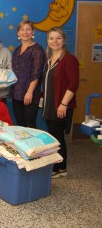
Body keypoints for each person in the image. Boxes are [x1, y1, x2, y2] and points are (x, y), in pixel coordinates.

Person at [42, 27, 79, 179]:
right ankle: (61, 167)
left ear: (64, 40)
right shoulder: (50, 60)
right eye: (51, 38)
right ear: (48, 41)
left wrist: (63, 104)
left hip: (60, 106)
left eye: (58, 38)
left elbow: (74, 83)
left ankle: (57, 168)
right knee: (55, 136)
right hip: (50, 105)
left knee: (56, 137)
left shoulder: (68, 59)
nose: (55, 41)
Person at [11, 21, 45, 128]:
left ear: (33, 32)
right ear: (18, 33)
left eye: (28, 29)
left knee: (30, 125)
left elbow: (36, 73)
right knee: (20, 124)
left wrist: (29, 92)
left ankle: (32, 145)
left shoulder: (37, 50)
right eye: (22, 29)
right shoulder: (17, 50)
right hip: (16, 93)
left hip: (30, 93)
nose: (25, 32)